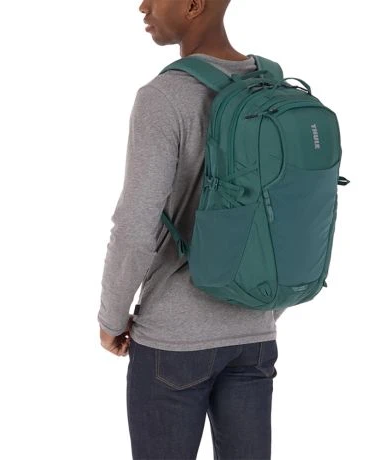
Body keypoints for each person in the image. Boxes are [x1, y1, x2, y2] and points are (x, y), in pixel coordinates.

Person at [98, 0, 287, 458]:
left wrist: (111, 319)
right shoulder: (274, 88)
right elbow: (288, 215)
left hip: (174, 342)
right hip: (254, 335)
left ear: (193, 5)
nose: (142, 6)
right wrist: (263, 306)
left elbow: (135, 224)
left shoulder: (165, 96)